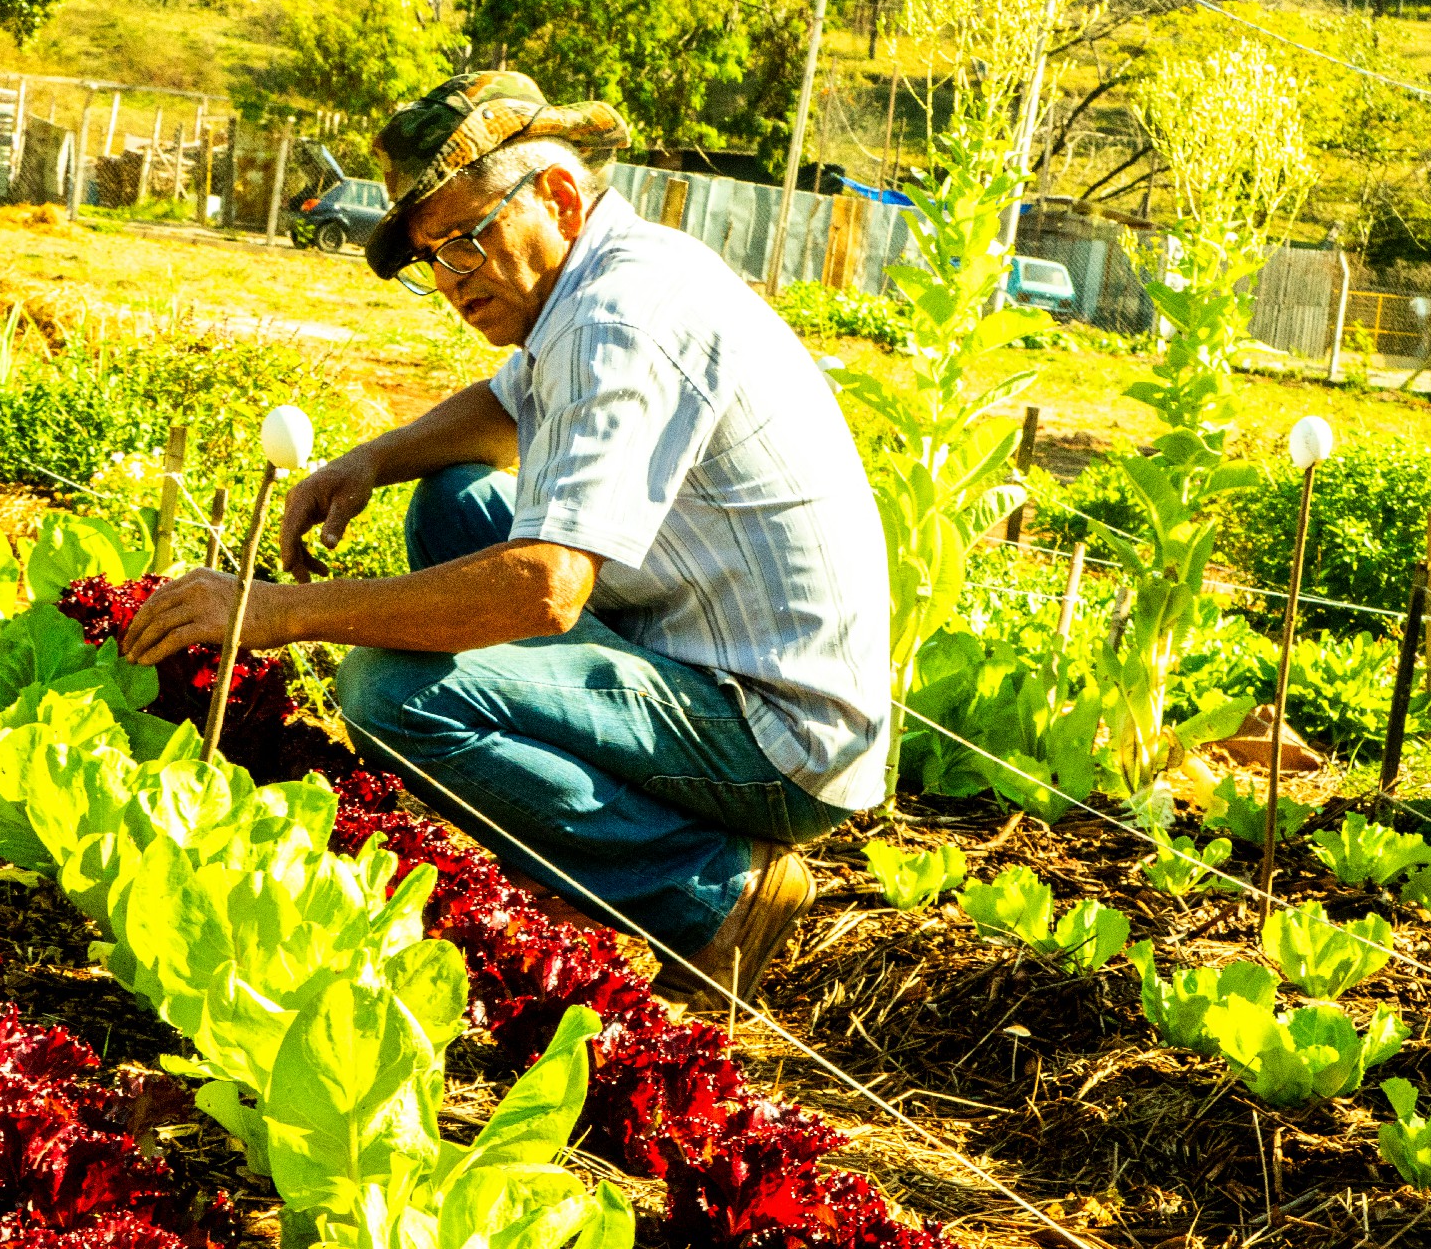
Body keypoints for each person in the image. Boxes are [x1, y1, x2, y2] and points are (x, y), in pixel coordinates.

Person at [120, 71, 890, 1010]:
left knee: (390, 692)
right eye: (431, 256)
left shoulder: (619, 318)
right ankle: (635, 833)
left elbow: (545, 590)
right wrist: (371, 458)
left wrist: (279, 614)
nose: (451, 280)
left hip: (780, 734)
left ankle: (709, 892)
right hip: (700, 653)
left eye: (466, 238)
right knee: (451, 504)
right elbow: (504, 411)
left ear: (559, 196)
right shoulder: (600, 279)